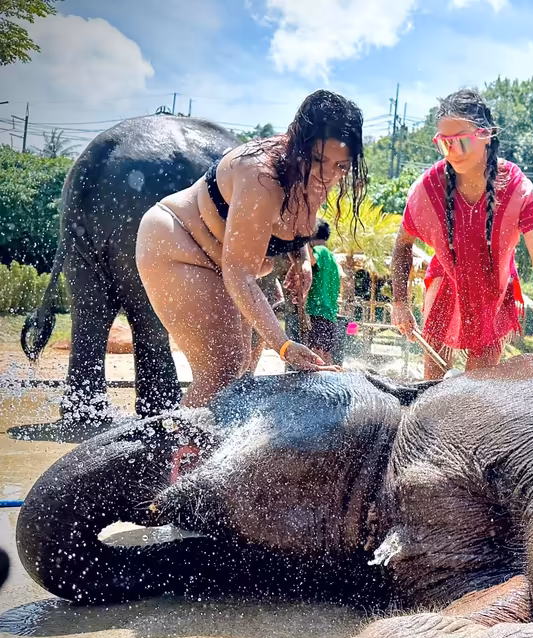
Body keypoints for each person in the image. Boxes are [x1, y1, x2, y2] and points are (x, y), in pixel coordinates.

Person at [136, 90, 367, 406]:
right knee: (222, 368)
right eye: (319, 160)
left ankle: (203, 449)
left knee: (241, 367)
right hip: (179, 244)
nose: (328, 176)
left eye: (341, 166)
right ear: (297, 142)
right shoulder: (262, 174)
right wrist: (283, 345)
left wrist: (300, 259)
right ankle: (179, 451)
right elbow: (240, 272)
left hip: (225, 265)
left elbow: (289, 224)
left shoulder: (314, 176)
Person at [390, 88, 533, 379]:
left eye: (462, 141)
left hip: (496, 291)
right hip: (446, 284)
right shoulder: (427, 189)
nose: (453, 152)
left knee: (478, 388)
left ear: (486, 134)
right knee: (432, 384)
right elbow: (403, 244)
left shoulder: (518, 189)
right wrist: (400, 304)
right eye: (444, 144)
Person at [304, 219, 348, 366]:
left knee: (315, 353)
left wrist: (301, 242)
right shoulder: (332, 257)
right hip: (330, 313)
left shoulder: (318, 252)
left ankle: (316, 385)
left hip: (317, 310)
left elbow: (310, 261)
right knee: (326, 353)